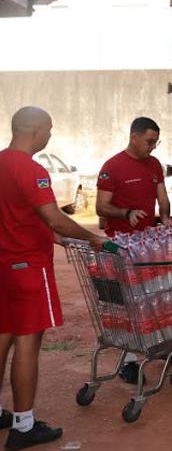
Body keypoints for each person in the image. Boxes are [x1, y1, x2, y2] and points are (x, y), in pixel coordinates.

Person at [0, 107, 107, 450]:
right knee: (28, 342)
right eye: (49, 129)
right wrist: (92, 238)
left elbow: (20, 214)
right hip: (28, 268)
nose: (50, 135)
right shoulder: (31, 170)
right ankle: (24, 425)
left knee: (2, 336)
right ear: (34, 130)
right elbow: (54, 218)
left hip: (3, 264)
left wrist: (53, 236)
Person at [95, 116, 172, 385]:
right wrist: (125, 212)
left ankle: (159, 347)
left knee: (153, 297)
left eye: (156, 141)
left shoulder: (154, 165)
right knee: (126, 302)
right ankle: (128, 360)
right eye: (150, 141)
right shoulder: (112, 167)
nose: (153, 146)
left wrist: (164, 219)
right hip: (121, 246)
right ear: (135, 137)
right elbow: (101, 207)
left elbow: (162, 197)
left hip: (148, 245)